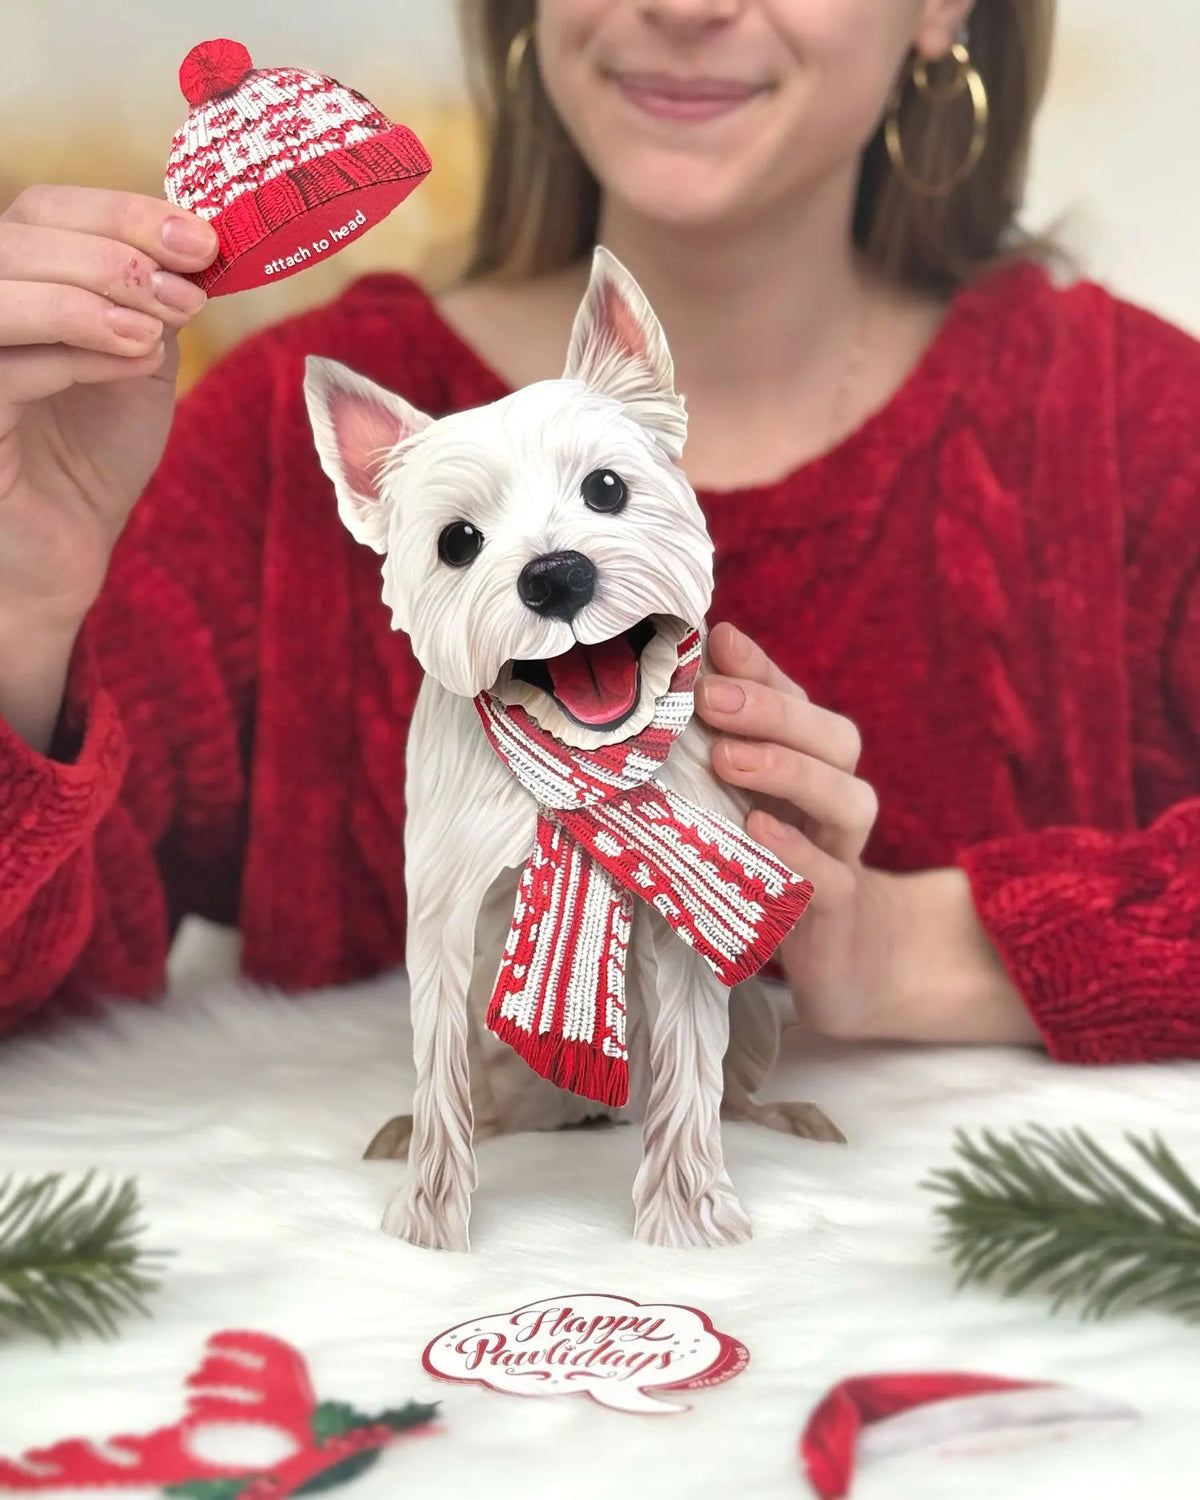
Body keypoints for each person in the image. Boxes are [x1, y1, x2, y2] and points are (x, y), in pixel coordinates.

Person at [0, 0, 1197, 1063]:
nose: (684, 7)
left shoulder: (1136, 428)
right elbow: (51, 1010)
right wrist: (21, 614)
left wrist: (909, 945)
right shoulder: (280, 442)